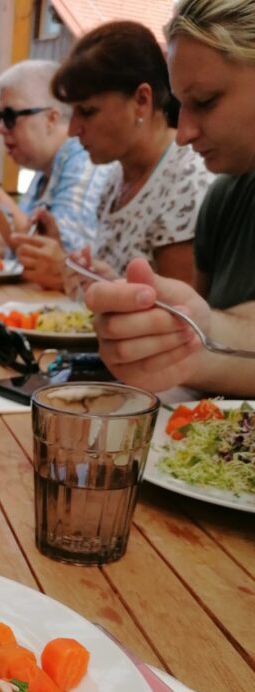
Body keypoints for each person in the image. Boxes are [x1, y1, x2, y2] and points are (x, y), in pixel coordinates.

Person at [84, 0, 255, 397]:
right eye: (181, 105)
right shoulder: (223, 198)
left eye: (206, 100)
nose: (184, 133)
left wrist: (199, 334)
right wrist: (180, 339)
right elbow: (220, 351)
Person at [25, 21, 214, 290]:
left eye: (87, 111)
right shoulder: (116, 179)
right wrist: (71, 266)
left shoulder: (186, 178)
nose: (73, 130)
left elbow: (179, 320)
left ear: (141, 101)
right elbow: (112, 283)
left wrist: (68, 272)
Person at [0, 60, 110, 288]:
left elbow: (61, 261)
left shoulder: (83, 161)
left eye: (9, 116)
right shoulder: (45, 171)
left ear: (51, 119)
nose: (0, 129)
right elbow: (24, 251)